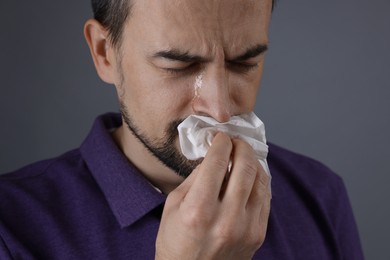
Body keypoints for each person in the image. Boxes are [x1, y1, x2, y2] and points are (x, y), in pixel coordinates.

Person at [0, 0, 364, 259]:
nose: (220, 108)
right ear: (104, 53)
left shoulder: (318, 194)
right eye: (178, 64)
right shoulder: (12, 229)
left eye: (245, 62)